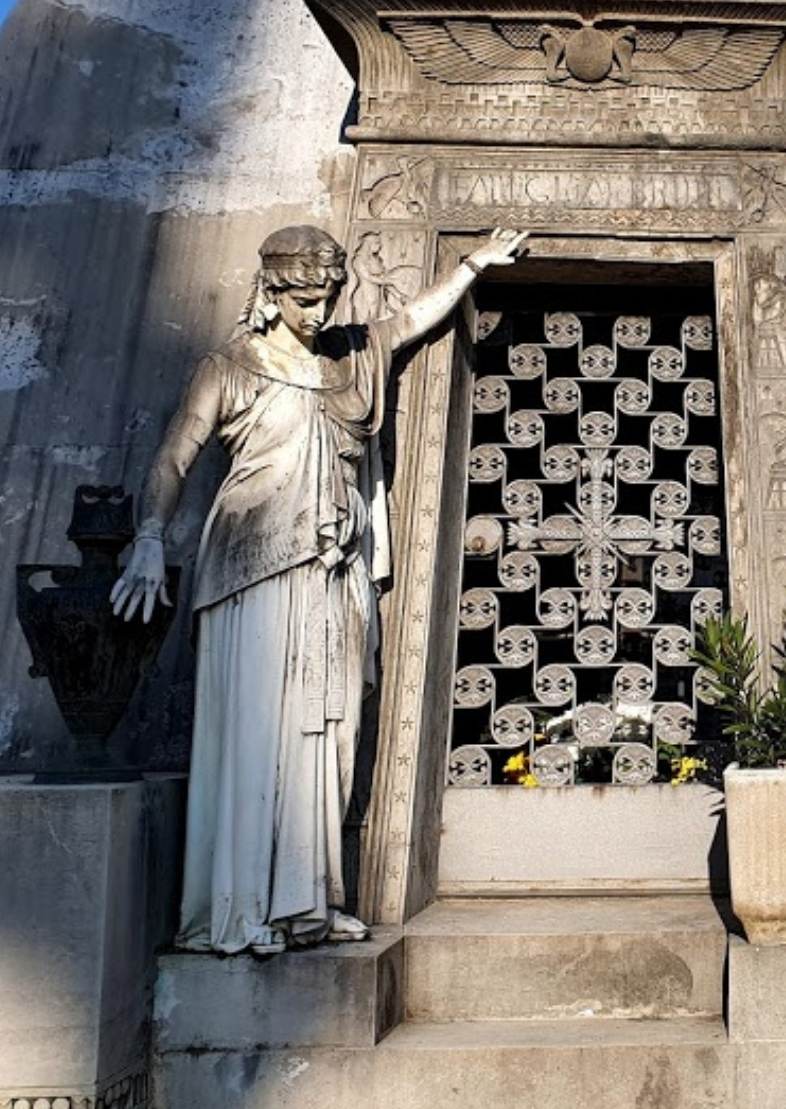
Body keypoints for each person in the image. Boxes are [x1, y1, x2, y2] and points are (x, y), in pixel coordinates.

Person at [112, 225, 526, 953]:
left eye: (328, 296)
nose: (319, 311)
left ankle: (308, 899)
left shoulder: (348, 357)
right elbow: (176, 457)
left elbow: (407, 322)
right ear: (270, 293)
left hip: (334, 567)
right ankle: (245, 908)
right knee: (258, 738)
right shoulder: (230, 366)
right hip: (254, 569)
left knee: (331, 734)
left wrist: (471, 268)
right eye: (305, 299)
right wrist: (149, 536)